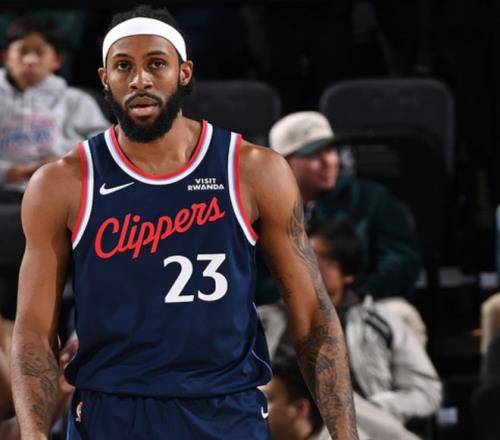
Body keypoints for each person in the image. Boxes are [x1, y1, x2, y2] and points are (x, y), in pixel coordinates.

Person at [11, 6, 358, 440]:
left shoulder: (253, 170)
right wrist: (34, 434)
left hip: (226, 411)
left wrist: (346, 435)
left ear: (185, 73)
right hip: (110, 415)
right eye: (123, 66)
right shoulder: (61, 183)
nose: (140, 80)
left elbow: (313, 317)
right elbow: (33, 332)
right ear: (105, 79)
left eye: (156, 64)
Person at [260, 220, 442, 440]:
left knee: (338, 402)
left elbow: (426, 392)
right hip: (280, 418)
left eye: (324, 256)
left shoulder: (379, 321)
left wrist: (377, 408)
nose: (310, 262)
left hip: (359, 422)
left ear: (347, 272)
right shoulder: (264, 319)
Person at [0, 14, 110, 343]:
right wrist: (9, 171)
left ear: (57, 60)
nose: (30, 61)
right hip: (7, 193)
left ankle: (79, 333)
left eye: (39, 52)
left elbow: (105, 149)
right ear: (6, 56)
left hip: (58, 197)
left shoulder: (76, 101)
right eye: (22, 51)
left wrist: (61, 162)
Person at [258, 111, 421, 303]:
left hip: (366, 301)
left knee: (398, 313)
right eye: (313, 155)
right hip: (286, 305)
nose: (328, 162)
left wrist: (354, 294)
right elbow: (251, 275)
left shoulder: (371, 198)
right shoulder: (262, 208)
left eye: (330, 150)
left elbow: (401, 262)